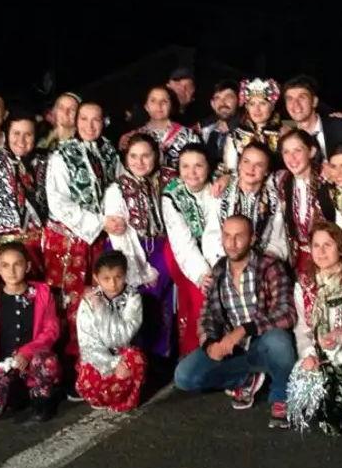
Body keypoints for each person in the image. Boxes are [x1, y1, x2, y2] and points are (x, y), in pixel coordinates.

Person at [173, 214, 297, 428]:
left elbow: (287, 313)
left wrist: (243, 330)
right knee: (184, 376)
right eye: (227, 236)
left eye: (239, 236)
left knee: (279, 341)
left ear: (252, 238)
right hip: (235, 349)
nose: (232, 242)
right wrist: (210, 343)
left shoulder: (270, 266)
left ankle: (280, 397)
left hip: (262, 342)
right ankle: (247, 376)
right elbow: (207, 315)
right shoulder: (219, 270)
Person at [285, 221, 342, 438]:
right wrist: (308, 354)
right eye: (316, 245)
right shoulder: (305, 284)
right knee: (329, 421)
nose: (321, 251)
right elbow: (302, 328)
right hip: (321, 354)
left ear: (340, 248)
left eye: (328, 245)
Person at [43, 101, 121, 339]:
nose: (90, 125)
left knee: (100, 298)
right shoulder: (62, 154)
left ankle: (97, 358)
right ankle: (70, 360)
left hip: (99, 238)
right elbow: (57, 201)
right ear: (76, 121)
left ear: (104, 122)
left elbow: (118, 188)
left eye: (96, 119)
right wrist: (98, 221)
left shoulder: (109, 151)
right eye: (84, 119)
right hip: (68, 240)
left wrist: (113, 219)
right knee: (69, 301)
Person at [0, 241, 61, 422]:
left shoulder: (42, 293)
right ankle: (16, 394)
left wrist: (27, 353)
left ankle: (41, 399)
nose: (11, 271)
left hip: (33, 361)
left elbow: (51, 330)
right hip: (5, 364)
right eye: (5, 265)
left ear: (27, 266)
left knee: (47, 361)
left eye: (17, 264)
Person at [103, 133, 172, 359]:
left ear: (156, 156)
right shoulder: (117, 189)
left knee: (162, 303)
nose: (139, 162)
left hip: (161, 248)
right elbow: (120, 235)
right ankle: (135, 356)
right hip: (130, 249)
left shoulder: (169, 180)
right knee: (135, 302)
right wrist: (135, 270)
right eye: (133, 156)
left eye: (145, 156)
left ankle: (161, 355)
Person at [162, 143, 222, 356]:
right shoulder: (172, 195)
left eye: (198, 166)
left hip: (216, 253)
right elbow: (182, 242)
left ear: (209, 167)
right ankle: (195, 355)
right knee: (200, 300)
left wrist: (218, 268)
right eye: (185, 166)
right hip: (184, 255)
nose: (192, 172)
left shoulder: (218, 184)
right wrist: (202, 274)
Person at [0, 113, 49, 285]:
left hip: (35, 248)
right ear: (7, 134)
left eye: (28, 134)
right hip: (0, 246)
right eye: (16, 133)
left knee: (35, 298)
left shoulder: (44, 161)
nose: (22, 139)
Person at [75, 251, 147, 411]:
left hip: (124, 355)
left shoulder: (133, 298)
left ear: (125, 275)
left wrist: (102, 310)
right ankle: (104, 397)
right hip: (99, 357)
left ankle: (124, 401)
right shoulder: (89, 301)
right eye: (106, 279)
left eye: (118, 277)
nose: (113, 284)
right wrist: (111, 363)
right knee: (90, 381)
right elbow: (87, 342)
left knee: (135, 359)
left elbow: (121, 337)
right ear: (96, 278)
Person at [275, 129, 336, 278]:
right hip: (299, 260)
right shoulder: (282, 181)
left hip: (329, 257)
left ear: (312, 151)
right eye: (286, 152)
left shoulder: (327, 179)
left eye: (297, 150)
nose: (292, 158)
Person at [218, 142, 289, 262]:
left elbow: (278, 237)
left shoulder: (274, 197)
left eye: (259, 165)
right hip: (225, 260)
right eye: (246, 162)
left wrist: (262, 266)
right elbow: (213, 234)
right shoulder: (222, 191)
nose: (251, 169)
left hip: (263, 265)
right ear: (239, 164)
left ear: (267, 171)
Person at [282, 75, 342, 160]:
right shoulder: (285, 137)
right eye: (290, 99)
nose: (296, 104)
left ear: (314, 101)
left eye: (302, 97)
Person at [120, 85, 200, 171]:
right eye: (153, 101)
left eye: (164, 101)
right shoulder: (133, 137)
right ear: (146, 106)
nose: (158, 105)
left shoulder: (189, 135)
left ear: (171, 106)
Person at [220, 77, 284, 173]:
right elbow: (230, 171)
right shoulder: (236, 136)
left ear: (272, 106)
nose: (257, 109)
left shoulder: (283, 135)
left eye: (262, 103)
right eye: (252, 104)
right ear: (247, 107)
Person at [201, 80, 240, 167]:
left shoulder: (246, 132)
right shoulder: (204, 130)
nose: (222, 102)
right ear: (212, 104)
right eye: (217, 98)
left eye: (228, 97)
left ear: (239, 101)